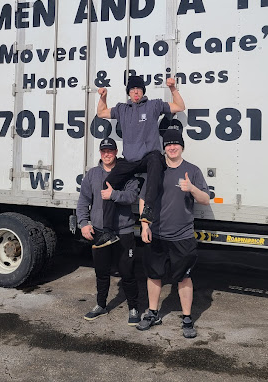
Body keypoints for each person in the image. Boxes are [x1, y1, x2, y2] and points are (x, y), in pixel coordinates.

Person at [95, 74, 185, 248]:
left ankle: (148, 209)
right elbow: (101, 112)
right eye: (132, 89)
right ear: (128, 92)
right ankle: (108, 231)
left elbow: (180, 106)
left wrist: (172, 88)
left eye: (138, 89)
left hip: (148, 156)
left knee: (156, 160)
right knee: (108, 183)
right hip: (130, 159)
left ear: (143, 91)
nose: (135, 91)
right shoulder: (122, 109)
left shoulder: (153, 105)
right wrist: (103, 97)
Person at [136, 127, 210, 339]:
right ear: (164, 148)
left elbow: (205, 199)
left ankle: (187, 318)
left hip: (183, 236)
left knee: (184, 278)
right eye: (168, 144)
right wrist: (144, 225)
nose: (172, 147)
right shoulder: (157, 170)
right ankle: (152, 313)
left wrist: (192, 189)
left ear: (182, 146)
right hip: (157, 233)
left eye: (175, 143)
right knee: (154, 275)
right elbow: (143, 199)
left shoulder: (192, 170)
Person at [76, 137, 142, 326]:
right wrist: (84, 223)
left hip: (123, 231)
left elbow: (132, 196)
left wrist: (113, 194)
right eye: (104, 151)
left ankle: (133, 308)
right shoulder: (92, 175)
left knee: (127, 272)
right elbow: (83, 202)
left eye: (110, 151)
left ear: (116, 152)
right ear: (100, 153)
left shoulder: (126, 173)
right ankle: (101, 305)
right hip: (99, 231)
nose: (107, 154)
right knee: (101, 272)